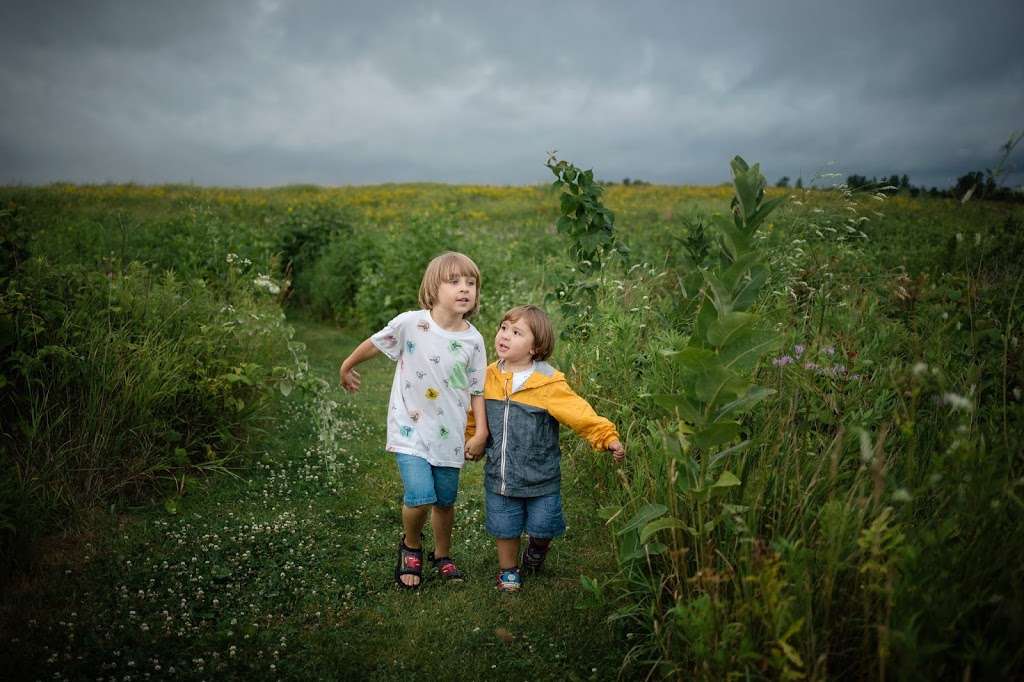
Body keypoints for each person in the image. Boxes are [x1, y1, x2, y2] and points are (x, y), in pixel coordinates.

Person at [339, 252, 488, 589]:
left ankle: (443, 554)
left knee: (445, 500)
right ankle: (411, 544)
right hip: (410, 427)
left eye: (471, 283)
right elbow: (377, 343)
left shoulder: (473, 340)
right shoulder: (410, 323)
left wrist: (480, 431)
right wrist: (347, 364)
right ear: (433, 288)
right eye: (454, 282)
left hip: (448, 435)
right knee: (420, 494)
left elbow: (478, 390)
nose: (464, 289)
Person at [474, 304, 625, 592]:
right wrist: (473, 437)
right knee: (505, 527)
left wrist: (606, 436)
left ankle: (537, 548)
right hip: (501, 475)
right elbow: (475, 411)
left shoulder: (548, 382)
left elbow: (579, 412)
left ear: (535, 347)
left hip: (541, 476)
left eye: (516, 332)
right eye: (504, 328)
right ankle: (508, 571)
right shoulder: (488, 376)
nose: (504, 335)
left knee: (544, 526)